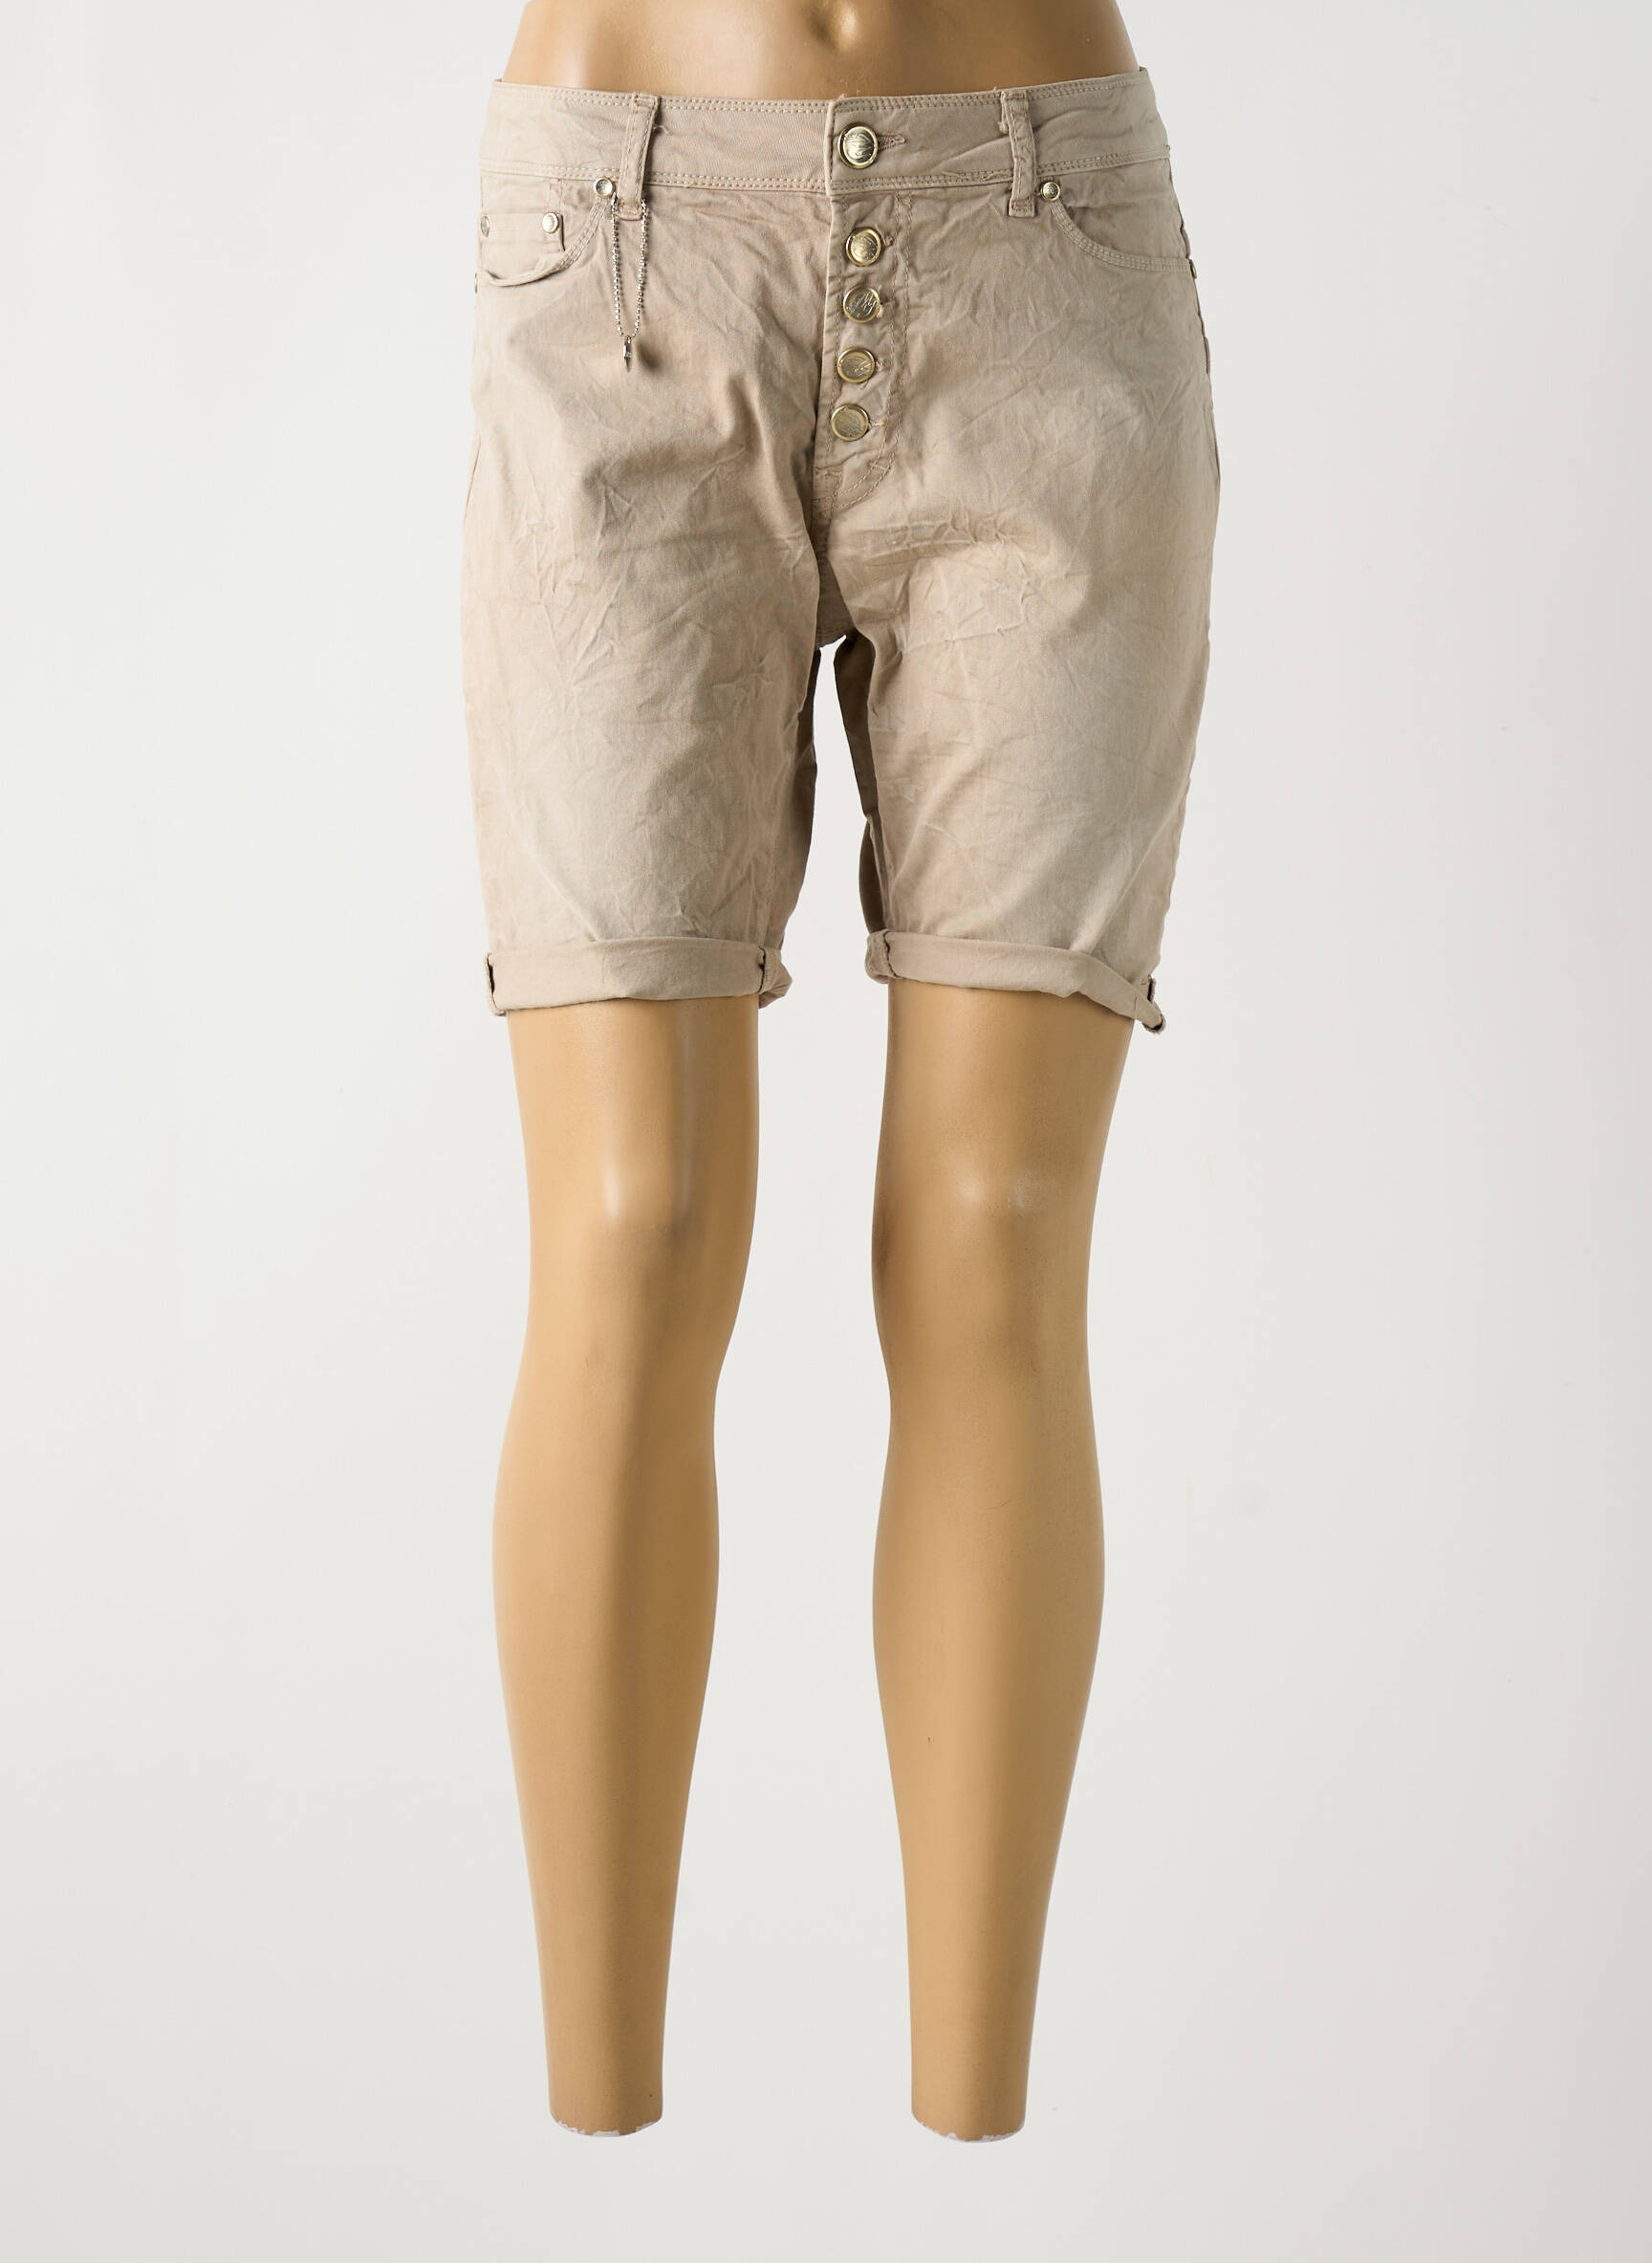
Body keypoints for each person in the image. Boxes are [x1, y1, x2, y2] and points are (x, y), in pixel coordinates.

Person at [461, 0, 1219, 2141]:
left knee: (997, 1227)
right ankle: (597, 2117)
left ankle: (970, 2126)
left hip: (1045, 255)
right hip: (623, 246)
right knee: (634, 1222)